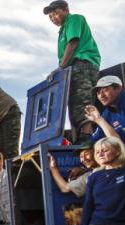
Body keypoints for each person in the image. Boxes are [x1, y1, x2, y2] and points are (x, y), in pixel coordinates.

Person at [44, 0, 101, 144]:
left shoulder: (74, 19)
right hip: (71, 69)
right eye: (50, 16)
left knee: (83, 105)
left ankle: (87, 141)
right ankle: (78, 143)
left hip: (83, 65)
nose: (53, 18)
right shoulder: (62, 30)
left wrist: (60, 68)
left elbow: (73, 43)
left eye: (55, 13)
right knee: (73, 108)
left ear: (65, 9)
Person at [85, 76, 125, 143]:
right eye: (98, 93)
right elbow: (95, 141)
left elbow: (117, 144)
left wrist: (99, 119)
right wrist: (98, 119)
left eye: (105, 90)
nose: (101, 96)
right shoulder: (107, 113)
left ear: (118, 88)